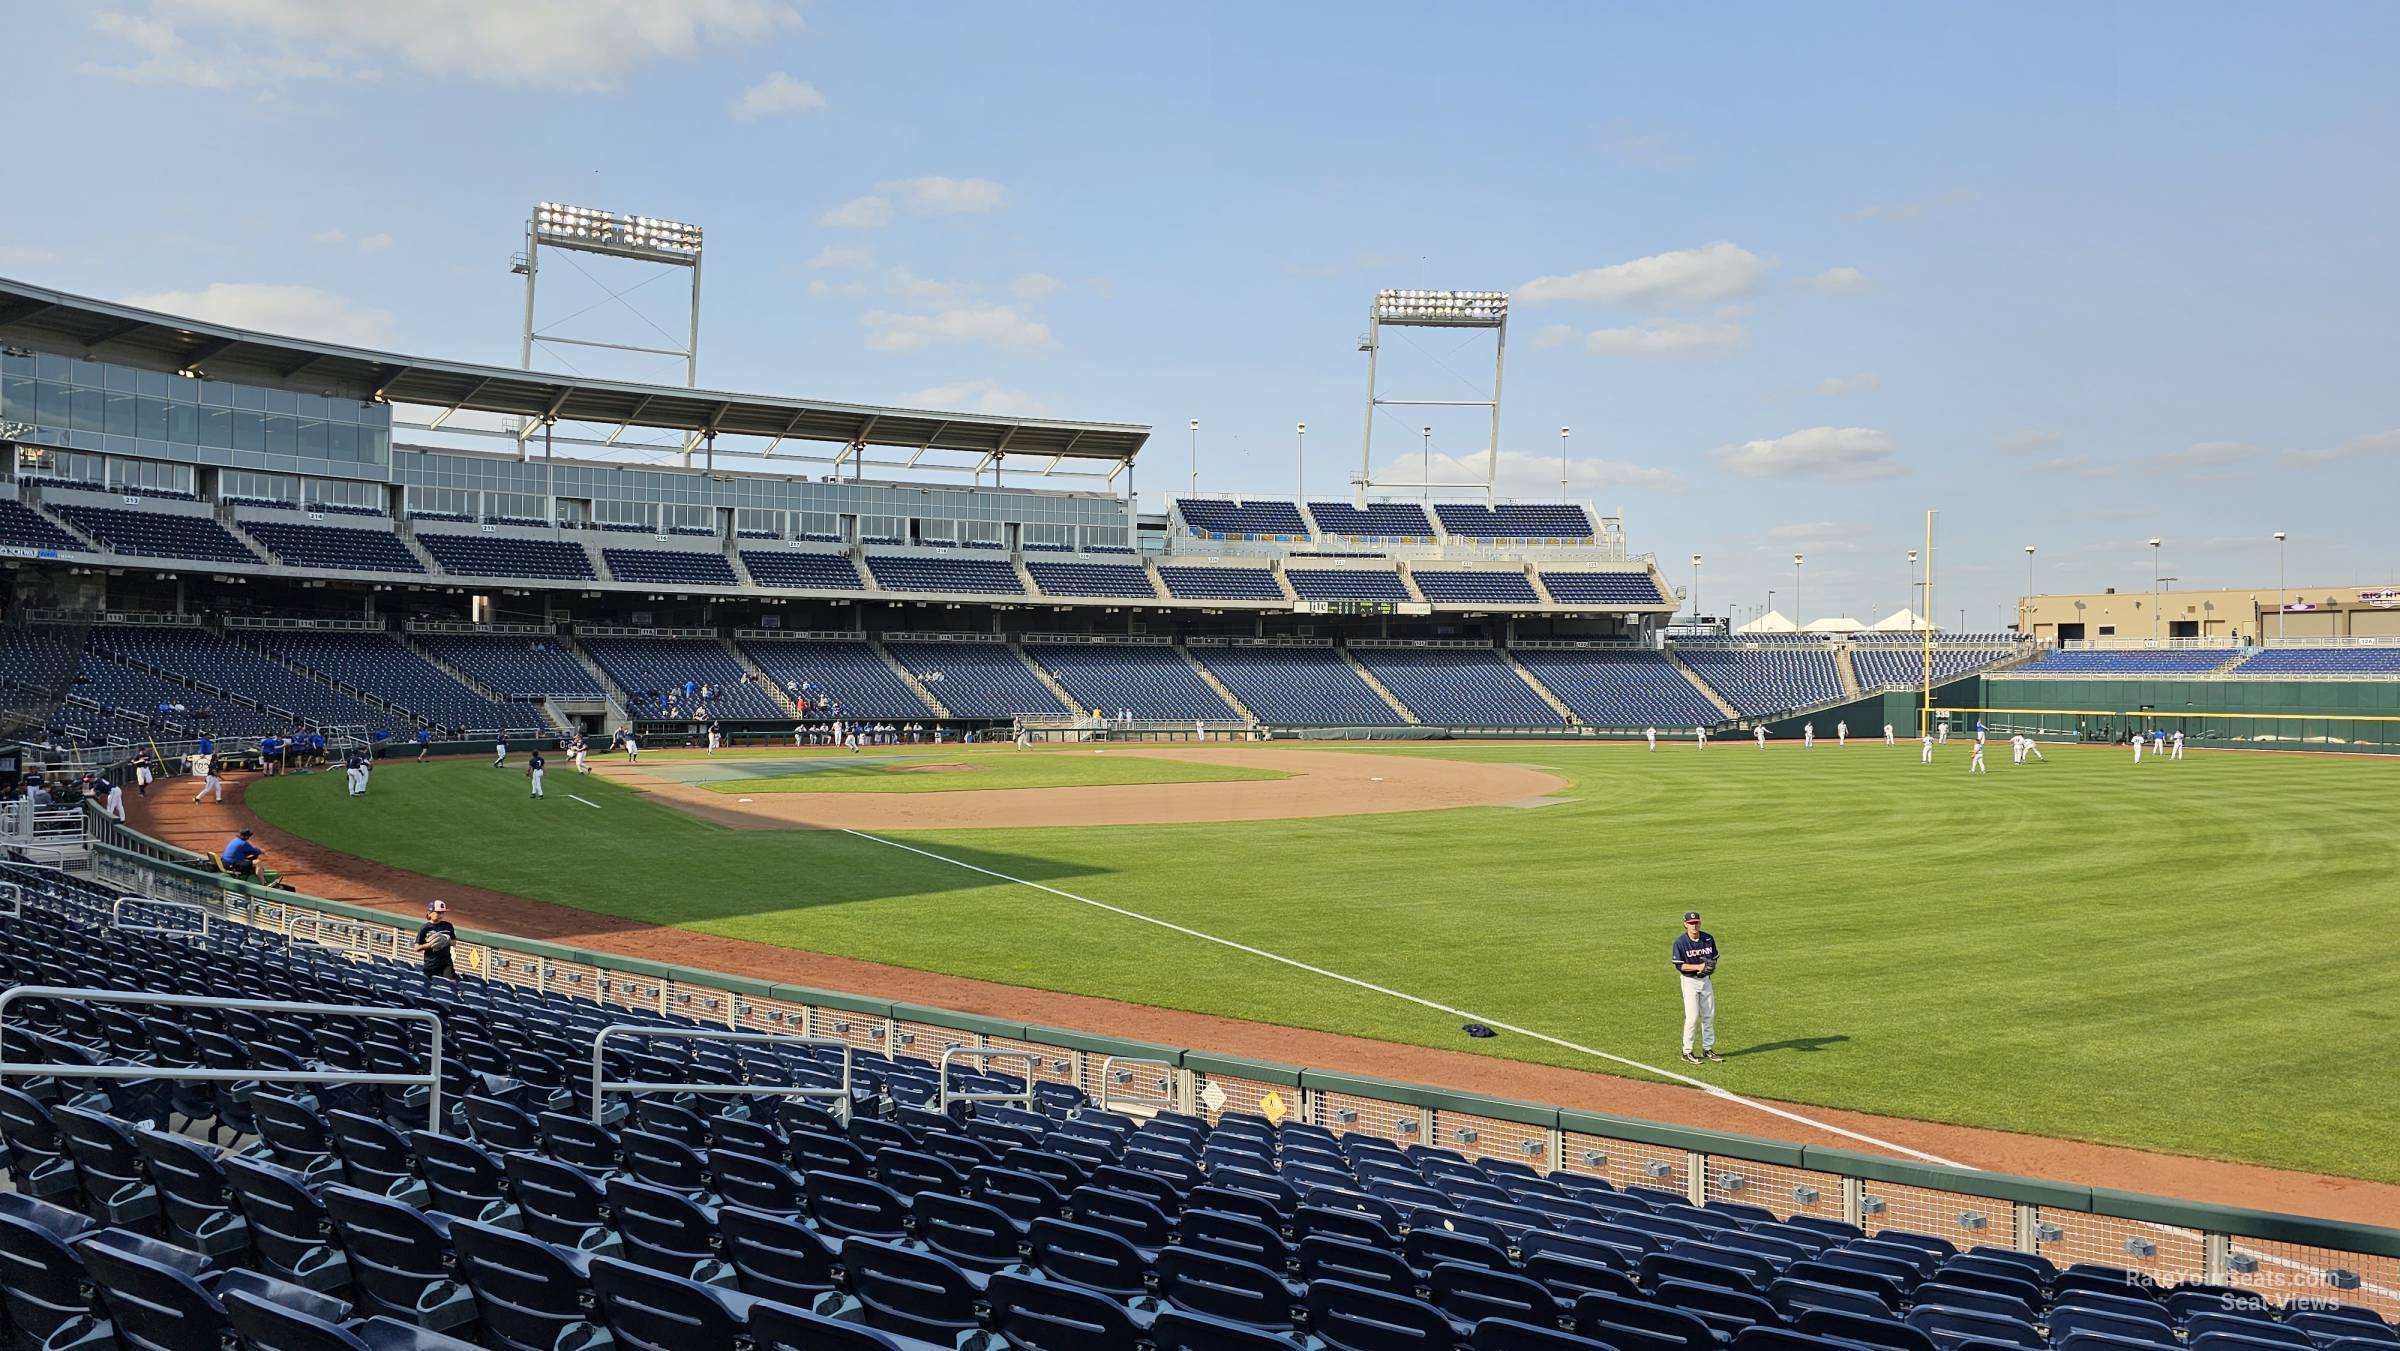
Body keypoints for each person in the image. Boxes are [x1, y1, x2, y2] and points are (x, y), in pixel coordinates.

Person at [1672, 912, 1723, 1065]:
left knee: (1709, 1015)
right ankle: (1687, 1051)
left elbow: (1713, 959)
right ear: (1685, 924)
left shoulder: (1708, 938)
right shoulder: (1680, 943)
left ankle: (1707, 1049)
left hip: (1706, 981)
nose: (1694, 925)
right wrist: (1699, 966)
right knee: (1692, 1017)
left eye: (1696, 922)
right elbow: (1680, 965)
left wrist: (1709, 967)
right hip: (1689, 982)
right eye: (1691, 923)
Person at [416, 900, 458, 981]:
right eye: (438, 912)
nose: (441, 915)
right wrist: (430, 945)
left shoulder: (448, 926)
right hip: (430, 965)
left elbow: (454, 942)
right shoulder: (424, 928)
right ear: (429, 913)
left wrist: (446, 941)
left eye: (443, 912)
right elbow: (416, 948)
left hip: (446, 964)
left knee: (450, 985)